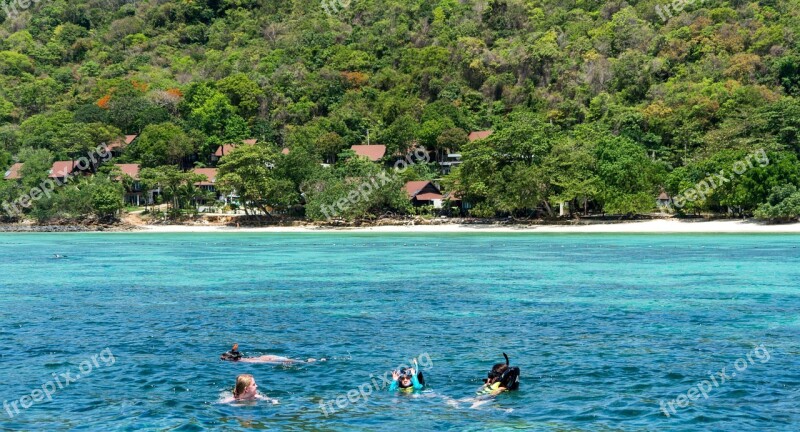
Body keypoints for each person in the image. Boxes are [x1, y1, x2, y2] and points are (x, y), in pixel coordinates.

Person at [220, 344, 322, 364]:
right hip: (263, 357)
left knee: (285, 361)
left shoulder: (242, 361)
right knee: (285, 359)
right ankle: (305, 361)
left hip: (260, 360)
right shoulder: (242, 358)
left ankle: (305, 362)